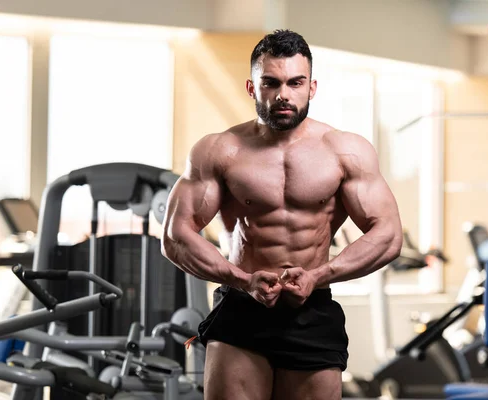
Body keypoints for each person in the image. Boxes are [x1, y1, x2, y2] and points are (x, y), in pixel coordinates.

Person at [161, 29, 403, 400]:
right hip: (242, 308)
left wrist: (319, 274)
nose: (283, 94)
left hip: (312, 308)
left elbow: (387, 234)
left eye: (295, 82)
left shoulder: (345, 151)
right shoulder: (219, 151)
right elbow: (176, 236)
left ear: (312, 87)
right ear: (251, 87)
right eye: (271, 82)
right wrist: (241, 280)